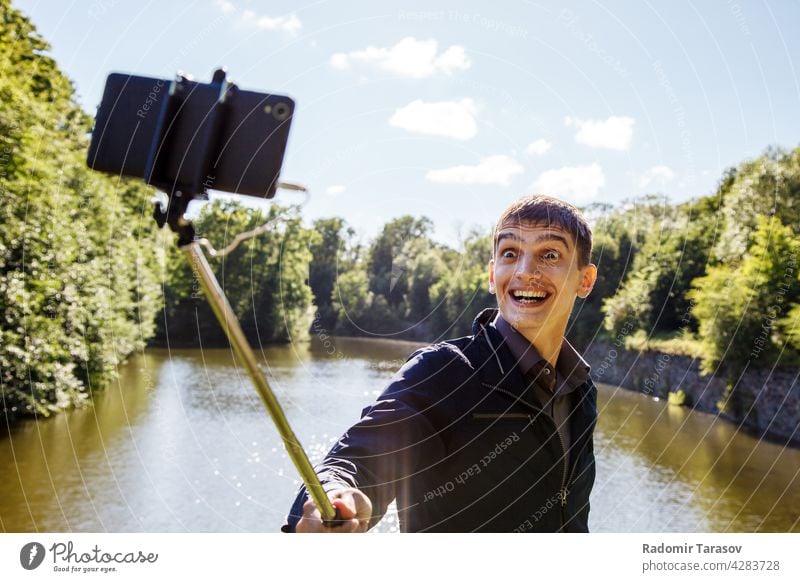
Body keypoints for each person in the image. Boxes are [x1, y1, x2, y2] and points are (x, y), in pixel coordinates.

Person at [282, 194, 599, 533]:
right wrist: (335, 497)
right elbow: (359, 458)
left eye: (549, 254)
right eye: (510, 253)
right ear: (493, 275)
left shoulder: (581, 389)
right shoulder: (444, 371)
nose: (525, 271)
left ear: (585, 280)